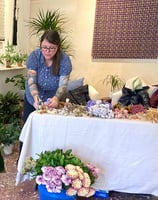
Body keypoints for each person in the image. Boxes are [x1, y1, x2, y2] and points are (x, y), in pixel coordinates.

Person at [23, 30, 72, 123]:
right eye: (44, 47)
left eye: (52, 48)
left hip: (52, 99)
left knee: (49, 126)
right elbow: (31, 80)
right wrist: (36, 97)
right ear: (40, 45)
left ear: (58, 47)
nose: (47, 51)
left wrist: (56, 98)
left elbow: (63, 84)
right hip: (32, 97)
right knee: (29, 125)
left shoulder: (64, 59)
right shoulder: (35, 56)